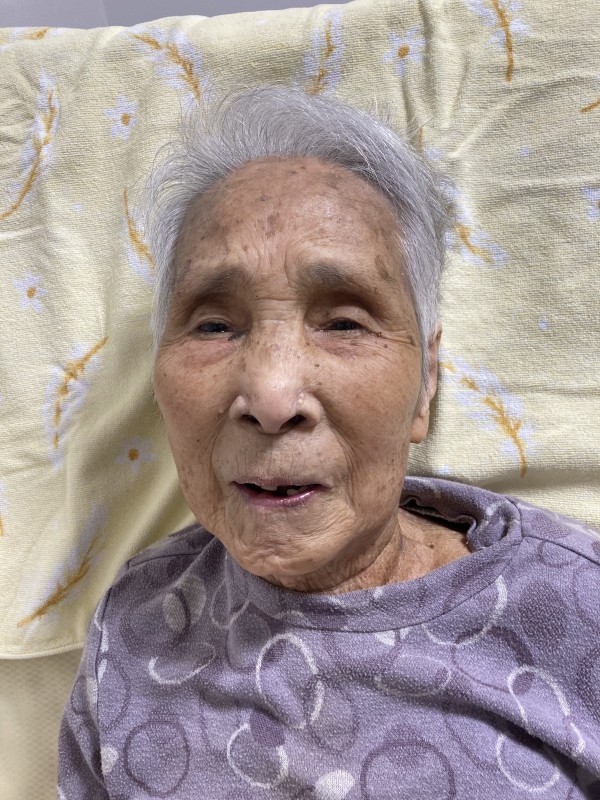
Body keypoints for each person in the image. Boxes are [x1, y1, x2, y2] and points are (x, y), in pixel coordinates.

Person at [58, 87, 600, 799]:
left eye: (344, 323)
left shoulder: (577, 607)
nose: (272, 397)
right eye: (214, 326)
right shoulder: (133, 626)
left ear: (427, 383)